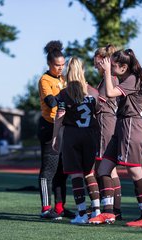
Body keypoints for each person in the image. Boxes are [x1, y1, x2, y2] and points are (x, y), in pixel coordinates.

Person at [88, 49, 142, 228]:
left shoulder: (132, 79)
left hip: (131, 127)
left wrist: (107, 73)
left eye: (113, 64)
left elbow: (110, 94)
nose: (108, 66)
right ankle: (108, 212)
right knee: (103, 168)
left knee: (135, 172)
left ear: (124, 67)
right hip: (121, 126)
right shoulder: (127, 78)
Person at [52, 57, 98, 224]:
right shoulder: (93, 92)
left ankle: (82, 214)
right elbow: (100, 114)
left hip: (72, 135)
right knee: (90, 173)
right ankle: (97, 212)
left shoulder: (64, 93)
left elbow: (59, 117)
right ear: (83, 71)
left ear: (68, 72)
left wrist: (55, 136)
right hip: (91, 135)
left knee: (76, 174)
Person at [37, 40, 74, 220]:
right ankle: (45, 208)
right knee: (48, 171)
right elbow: (51, 102)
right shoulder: (45, 79)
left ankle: (60, 208)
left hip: (63, 127)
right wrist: (68, 96)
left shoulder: (63, 79)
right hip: (49, 127)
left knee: (62, 171)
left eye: (63, 65)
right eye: (57, 65)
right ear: (49, 64)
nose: (61, 68)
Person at [93, 44, 122, 220]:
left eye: (96, 61)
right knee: (111, 169)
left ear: (104, 60)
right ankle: (114, 210)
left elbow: (100, 104)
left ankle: (109, 210)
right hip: (108, 122)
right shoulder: (108, 78)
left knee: (103, 166)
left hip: (106, 122)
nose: (95, 65)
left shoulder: (109, 77)